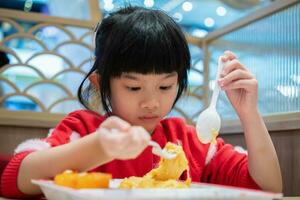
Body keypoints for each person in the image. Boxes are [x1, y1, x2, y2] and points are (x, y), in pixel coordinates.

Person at [0, 6, 282, 198]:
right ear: (101, 83)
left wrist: (249, 114)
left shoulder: (189, 142)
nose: (151, 102)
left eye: (165, 86)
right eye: (134, 87)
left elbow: (266, 188)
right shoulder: (81, 130)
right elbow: (13, 179)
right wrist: (99, 147)